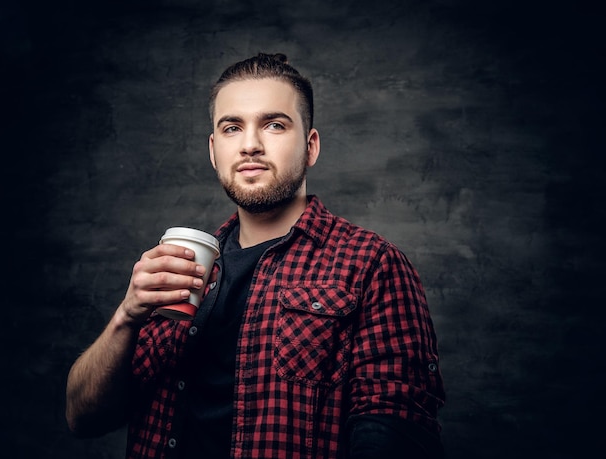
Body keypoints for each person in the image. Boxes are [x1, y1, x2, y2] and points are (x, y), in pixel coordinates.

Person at [65, 53, 445, 459]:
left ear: (311, 146)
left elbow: (395, 433)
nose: (250, 145)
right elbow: (83, 418)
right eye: (232, 128)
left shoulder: (371, 264)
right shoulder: (177, 270)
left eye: (275, 125)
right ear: (214, 151)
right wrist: (127, 316)